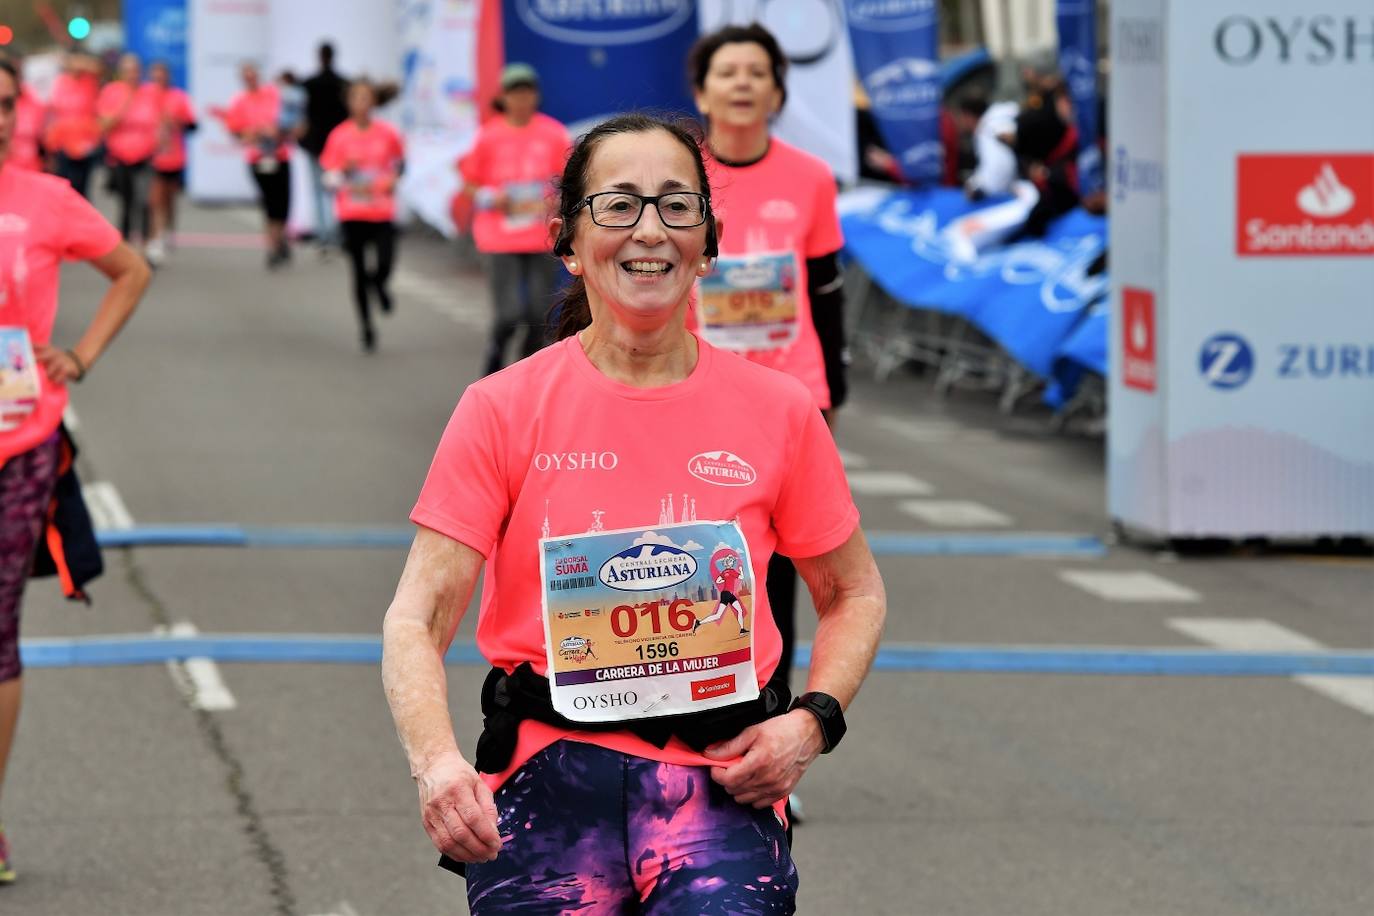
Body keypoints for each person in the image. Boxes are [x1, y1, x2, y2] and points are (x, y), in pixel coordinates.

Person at [382, 112, 886, 913]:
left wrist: (811, 722)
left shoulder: (779, 410)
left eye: (676, 205)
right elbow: (418, 616)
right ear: (568, 240)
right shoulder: (501, 408)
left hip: (720, 792)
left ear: (708, 241)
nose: (649, 229)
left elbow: (853, 591)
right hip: (546, 788)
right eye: (618, 205)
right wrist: (438, 763)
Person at [0, 59, 151, 884]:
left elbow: (131, 270)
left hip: (20, 444)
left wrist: (80, 356)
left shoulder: (46, 199)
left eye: (1, 104)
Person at [687, 24, 850, 715]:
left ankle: (774, 722)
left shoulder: (810, 178)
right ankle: (695, 712)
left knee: (781, 566)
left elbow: (825, 287)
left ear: (779, 90)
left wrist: (833, 388)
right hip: (697, 391)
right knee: (709, 564)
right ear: (702, 91)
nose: (745, 83)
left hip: (789, 398)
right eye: (729, 72)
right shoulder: (683, 176)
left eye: (759, 72)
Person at [457, 62, 570, 375]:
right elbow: (469, 181)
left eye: (527, 92)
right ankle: (495, 354)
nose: (521, 99)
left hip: (541, 234)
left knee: (537, 313)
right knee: (508, 314)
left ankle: (522, 374)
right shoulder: (488, 136)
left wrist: (558, 199)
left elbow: (570, 178)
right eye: (515, 92)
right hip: (499, 237)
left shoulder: (553, 133)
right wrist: (492, 197)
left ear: (535, 96)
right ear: (503, 98)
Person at [319, 79, 404, 353]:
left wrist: (394, 178)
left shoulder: (387, 134)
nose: (361, 103)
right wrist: (343, 169)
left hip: (381, 209)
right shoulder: (339, 136)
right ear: (349, 102)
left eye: (366, 98)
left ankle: (379, 284)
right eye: (356, 98)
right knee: (357, 271)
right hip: (352, 211)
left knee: (385, 261)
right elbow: (328, 178)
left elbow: (400, 164)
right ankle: (366, 327)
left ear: (374, 102)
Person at [213, 62, 293, 268]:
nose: (250, 79)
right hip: (258, 157)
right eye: (246, 76)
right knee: (269, 202)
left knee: (283, 202)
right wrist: (252, 133)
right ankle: (273, 245)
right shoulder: (239, 101)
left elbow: (289, 120)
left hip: (279, 155)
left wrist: (277, 130)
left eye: (253, 75)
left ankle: (280, 236)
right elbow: (234, 131)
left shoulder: (273, 94)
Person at [97, 53, 161, 247]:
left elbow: (160, 121)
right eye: (127, 71)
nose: (132, 75)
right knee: (126, 202)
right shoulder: (111, 91)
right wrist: (124, 104)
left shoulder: (151, 92)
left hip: (145, 156)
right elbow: (104, 125)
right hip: (120, 156)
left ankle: (146, 244)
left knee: (144, 201)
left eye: (135, 71)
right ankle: (123, 245)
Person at [146, 60, 197, 266]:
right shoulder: (145, 96)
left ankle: (168, 229)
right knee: (155, 199)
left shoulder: (179, 97)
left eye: (162, 76)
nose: (159, 80)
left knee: (168, 198)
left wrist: (177, 123)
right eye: (155, 76)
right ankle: (155, 239)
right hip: (149, 155)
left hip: (174, 156)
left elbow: (193, 125)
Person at [301, 43, 349, 250]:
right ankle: (332, 232)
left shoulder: (310, 84)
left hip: (318, 145)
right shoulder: (342, 84)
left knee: (320, 190)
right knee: (334, 189)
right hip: (332, 145)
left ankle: (324, 233)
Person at [44, 52, 103, 198]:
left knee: (82, 191)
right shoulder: (61, 81)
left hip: (85, 145)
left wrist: (81, 63)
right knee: (63, 189)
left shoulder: (89, 81)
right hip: (62, 145)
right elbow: (53, 111)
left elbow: (99, 68)